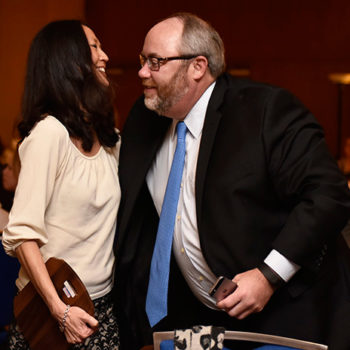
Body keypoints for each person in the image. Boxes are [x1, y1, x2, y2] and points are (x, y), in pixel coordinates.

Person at [114, 12, 350, 350]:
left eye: (155, 61)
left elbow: (329, 197)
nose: (141, 72)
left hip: (292, 315)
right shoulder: (144, 118)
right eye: (142, 60)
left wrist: (268, 275)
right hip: (203, 322)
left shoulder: (265, 111)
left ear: (197, 66)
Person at [2, 20, 120, 349]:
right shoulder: (48, 134)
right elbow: (22, 234)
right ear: (70, 59)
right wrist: (60, 311)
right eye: (95, 47)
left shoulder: (108, 137)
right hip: (54, 310)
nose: (105, 55)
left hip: (103, 306)